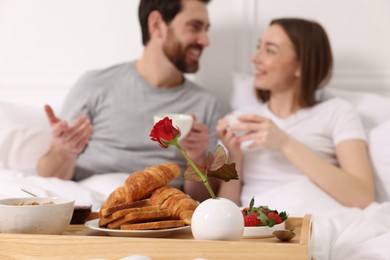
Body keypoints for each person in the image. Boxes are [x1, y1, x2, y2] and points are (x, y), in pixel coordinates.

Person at [37, 0, 228, 202]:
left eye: (206, 29)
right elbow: (48, 178)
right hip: (90, 208)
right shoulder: (95, 85)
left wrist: (197, 159)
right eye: (195, 27)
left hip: (164, 214)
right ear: (156, 24)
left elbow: (205, 200)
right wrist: (65, 150)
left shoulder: (208, 105)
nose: (205, 41)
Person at [217, 18, 375, 208]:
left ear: (301, 65)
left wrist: (284, 143)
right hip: (257, 227)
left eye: (270, 50)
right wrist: (235, 157)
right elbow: (225, 211)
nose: (255, 58)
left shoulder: (337, 112)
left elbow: (363, 196)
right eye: (259, 47)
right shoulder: (241, 120)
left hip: (318, 222)